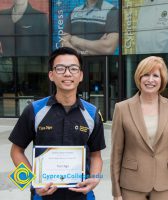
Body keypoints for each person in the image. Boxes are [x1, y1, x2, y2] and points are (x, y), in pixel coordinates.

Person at [8, 47, 106, 200]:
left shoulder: (92, 113)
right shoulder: (34, 110)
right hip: (42, 195)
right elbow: (16, 151)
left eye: (73, 68)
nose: (67, 73)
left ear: (80, 75)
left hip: (83, 195)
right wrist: (32, 183)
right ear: (51, 75)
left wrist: (95, 178)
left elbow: (96, 156)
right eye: (60, 68)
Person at [110, 56, 168, 200]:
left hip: (166, 185)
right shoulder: (122, 108)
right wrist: (117, 193)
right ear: (139, 78)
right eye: (146, 74)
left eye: (155, 75)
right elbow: (116, 153)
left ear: (162, 79)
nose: (150, 80)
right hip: (131, 185)